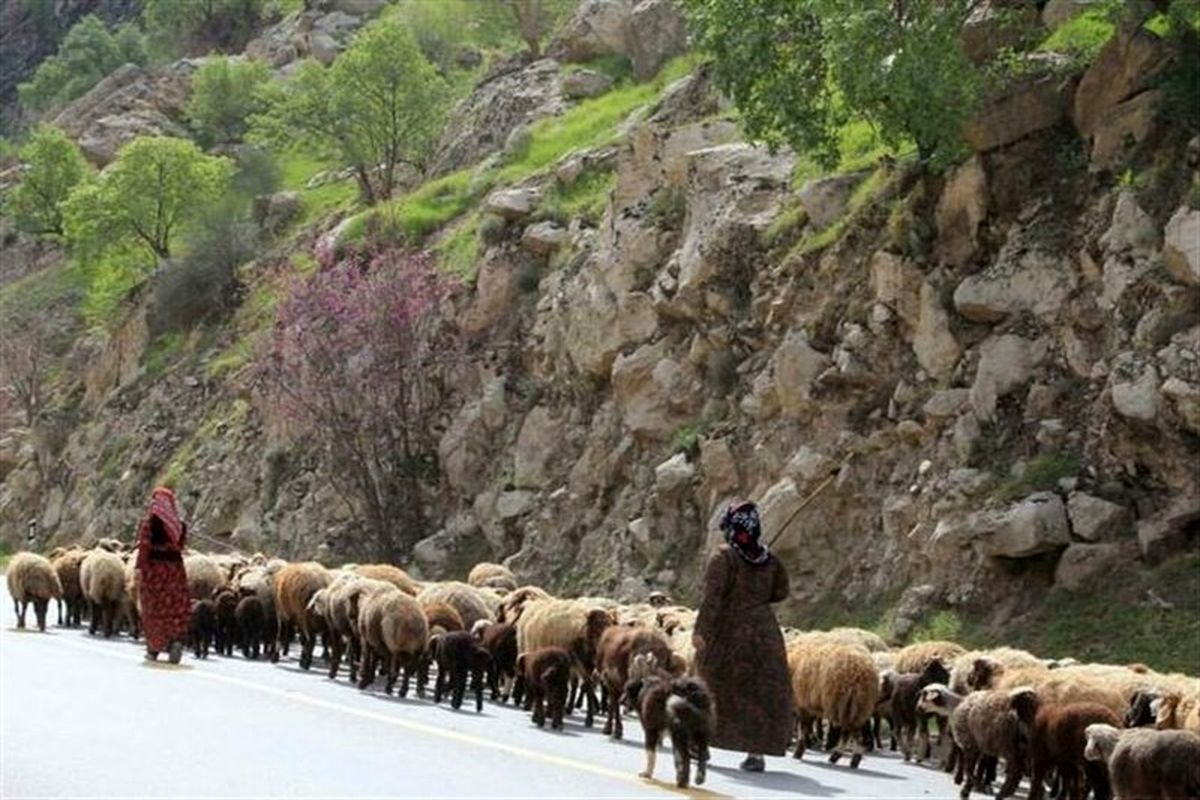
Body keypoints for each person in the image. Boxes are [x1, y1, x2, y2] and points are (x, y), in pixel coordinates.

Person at [693, 499, 792, 772]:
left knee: (709, 686)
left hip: (729, 635)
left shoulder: (723, 557)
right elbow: (781, 592)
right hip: (765, 635)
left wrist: (701, 631)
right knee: (758, 694)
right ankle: (756, 752)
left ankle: (700, 745)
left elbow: (712, 599)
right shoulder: (769, 559)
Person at [135, 487, 191, 664]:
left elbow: (144, 546)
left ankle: (154, 648)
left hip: (155, 571)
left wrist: (139, 568)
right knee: (175, 607)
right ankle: (175, 640)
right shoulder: (179, 525)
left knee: (153, 607)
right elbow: (181, 546)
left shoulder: (149, 524)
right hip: (175, 571)